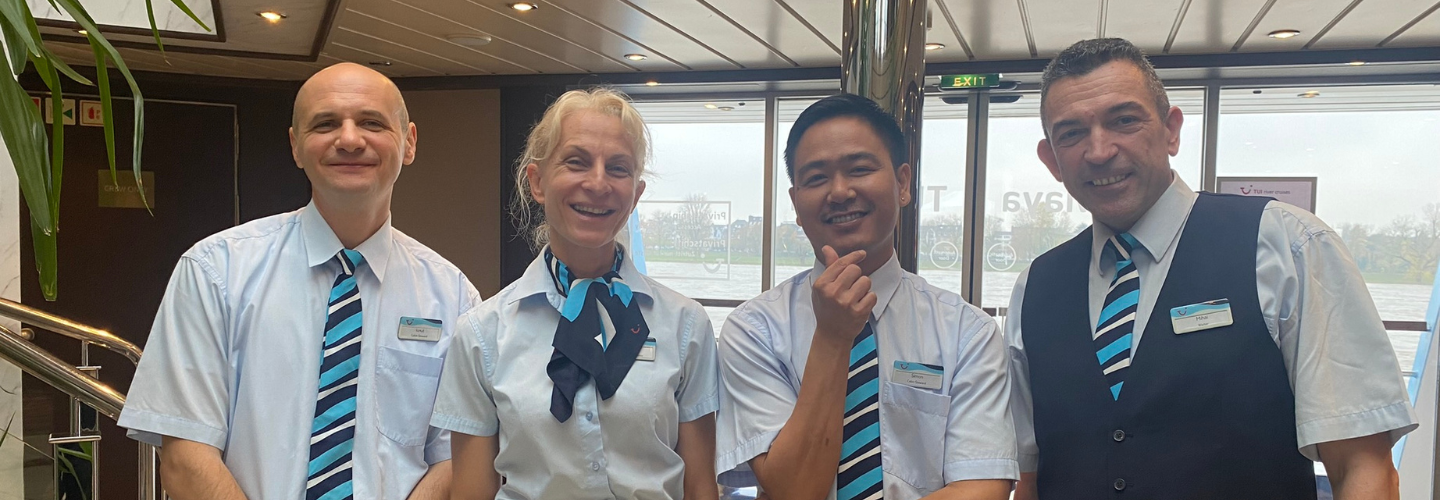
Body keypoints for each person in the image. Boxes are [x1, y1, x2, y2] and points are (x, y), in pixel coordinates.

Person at [1007, 38, 1418, 500]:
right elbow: (1031, 478)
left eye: (1124, 120)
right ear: (1051, 160)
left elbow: (1362, 465)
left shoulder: (1284, 245)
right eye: (1072, 133)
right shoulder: (1036, 288)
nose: (1100, 151)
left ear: (1171, 130)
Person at [117, 63, 479, 500]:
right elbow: (185, 455)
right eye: (325, 124)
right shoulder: (214, 271)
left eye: (371, 122)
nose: (349, 139)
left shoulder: (453, 296)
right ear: (295, 146)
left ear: (409, 142)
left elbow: (456, 457)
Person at [716, 94, 1018, 500]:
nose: (839, 192)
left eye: (859, 169)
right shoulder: (754, 330)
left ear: (903, 183)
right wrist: (833, 337)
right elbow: (793, 490)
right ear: (795, 203)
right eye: (817, 178)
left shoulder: (967, 331)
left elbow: (983, 486)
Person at [432, 88, 720, 500]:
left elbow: (700, 488)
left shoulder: (684, 325)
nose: (598, 183)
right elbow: (471, 493)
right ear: (538, 182)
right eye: (576, 162)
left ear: (635, 194)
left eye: (617, 168)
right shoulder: (481, 333)